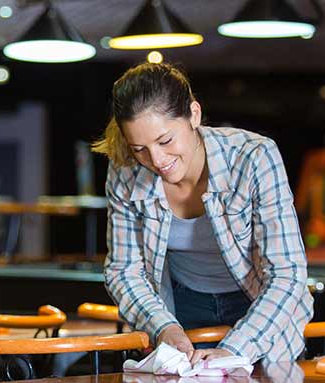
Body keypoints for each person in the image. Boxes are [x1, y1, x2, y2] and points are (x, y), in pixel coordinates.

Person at [93, 62, 313, 365]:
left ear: (194, 115)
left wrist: (233, 351)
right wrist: (163, 327)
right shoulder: (125, 170)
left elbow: (287, 275)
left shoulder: (254, 156)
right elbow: (123, 270)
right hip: (182, 307)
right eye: (139, 148)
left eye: (165, 140)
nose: (156, 160)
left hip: (260, 306)